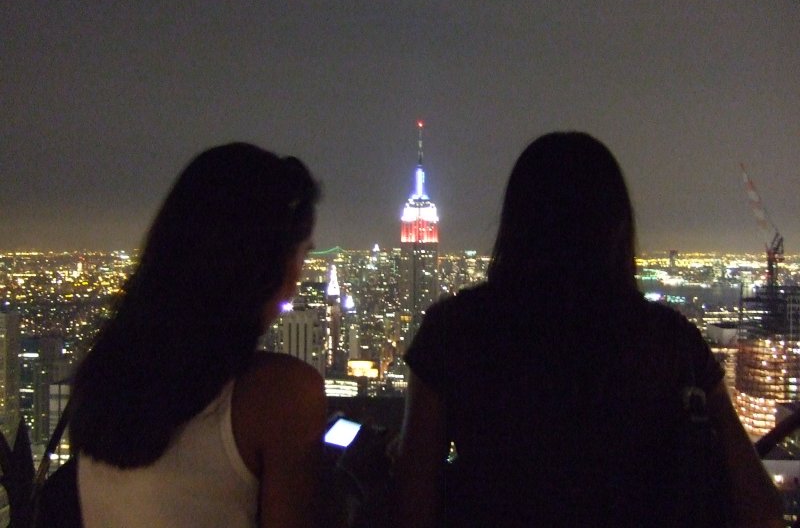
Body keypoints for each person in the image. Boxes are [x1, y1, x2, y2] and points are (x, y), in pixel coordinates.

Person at [395, 132, 783, 527]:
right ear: (616, 225)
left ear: (516, 222)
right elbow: (761, 505)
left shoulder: (455, 332)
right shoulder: (671, 341)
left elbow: (411, 504)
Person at [71, 143, 325, 528]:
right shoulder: (280, 394)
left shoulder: (103, 377)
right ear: (263, 264)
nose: (297, 279)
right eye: (301, 256)